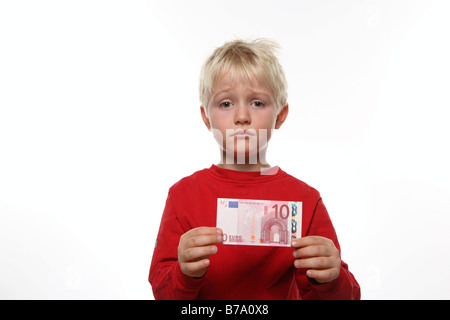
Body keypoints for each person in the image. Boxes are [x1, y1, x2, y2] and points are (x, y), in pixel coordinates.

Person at [148, 39, 360, 299]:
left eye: (257, 103)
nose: (242, 116)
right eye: (226, 103)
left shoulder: (306, 200)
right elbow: (162, 291)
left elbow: (346, 295)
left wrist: (332, 278)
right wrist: (184, 274)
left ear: (280, 115)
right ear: (206, 118)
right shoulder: (182, 196)